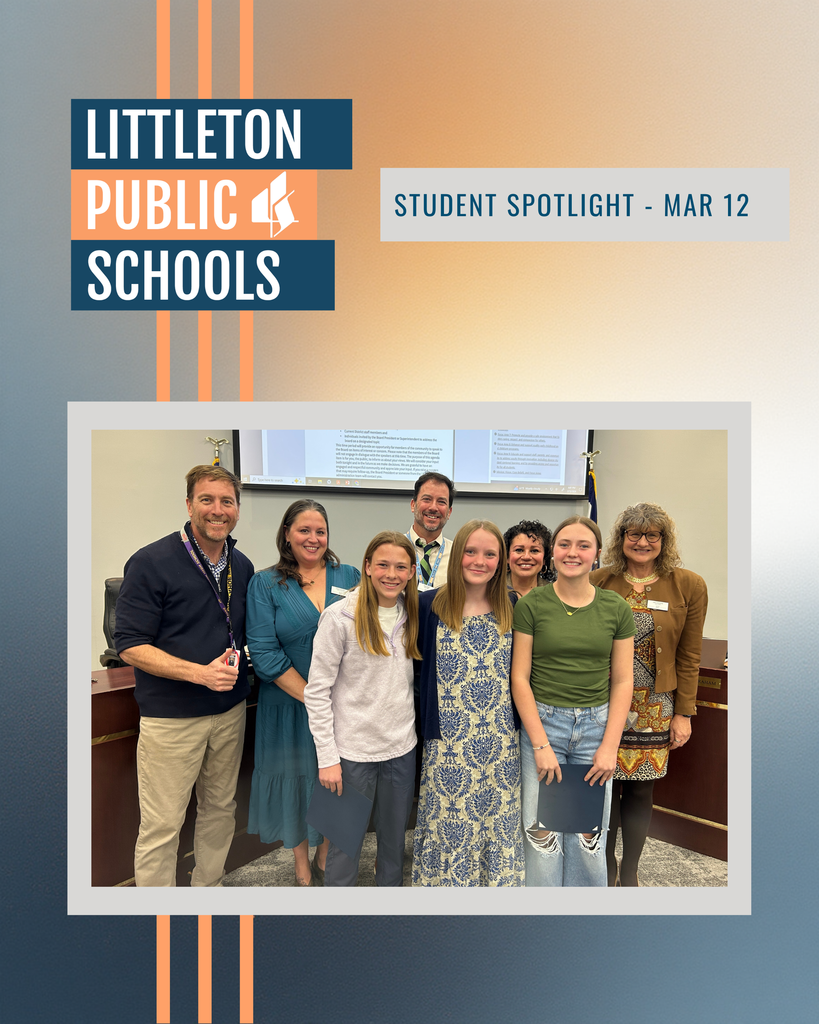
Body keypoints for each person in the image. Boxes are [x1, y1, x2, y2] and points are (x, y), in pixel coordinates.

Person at [115, 465, 254, 887]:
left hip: (229, 712)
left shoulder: (242, 565)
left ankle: (205, 890)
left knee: (220, 809)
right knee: (162, 826)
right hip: (172, 720)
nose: (217, 510)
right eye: (207, 500)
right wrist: (199, 674)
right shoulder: (151, 561)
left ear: (237, 509)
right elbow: (129, 645)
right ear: (189, 504)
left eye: (226, 501)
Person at [511, 515, 635, 887]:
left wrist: (609, 746)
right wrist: (541, 744)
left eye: (583, 545)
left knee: (587, 837)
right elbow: (520, 678)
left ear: (597, 554)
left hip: (596, 730)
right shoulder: (532, 605)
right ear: (552, 553)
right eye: (564, 544)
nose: (573, 553)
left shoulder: (616, 608)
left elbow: (623, 680)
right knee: (543, 836)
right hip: (544, 726)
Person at [590, 503, 708, 887]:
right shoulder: (598, 581)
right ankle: (604, 869)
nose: (642, 542)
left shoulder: (689, 585)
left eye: (651, 535)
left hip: (656, 705)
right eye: (634, 534)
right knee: (604, 789)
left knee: (640, 789)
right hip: (605, 702)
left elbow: (690, 654)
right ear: (621, 539)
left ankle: (630, 872)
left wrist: (684, 713)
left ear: (663, 540)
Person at [245, 499, 359, 887]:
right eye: (304, 530)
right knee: (295, 781)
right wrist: (314, 697)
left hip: (341, 706)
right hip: (288, 705)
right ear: (287, 534)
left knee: (335, 781)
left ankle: (326, 851)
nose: (313, 538)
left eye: (320, 531)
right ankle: (300, 862)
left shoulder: (350, 575)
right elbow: (263, 652)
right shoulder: (265, 583)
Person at [412, 519, 524, 886]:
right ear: (457, 554)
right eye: (471, 552)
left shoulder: (513, 605)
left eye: (490, 554)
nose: (480, 561)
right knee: (450, 827)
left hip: (500, 742)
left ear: (501, 560)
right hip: (448, 744)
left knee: (498, 824)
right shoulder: (428, 605)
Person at [304, 532, 420, 886]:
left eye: (401, 567)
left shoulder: (413, 615)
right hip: (351, 754)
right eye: (382, 564)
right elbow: (317, 691)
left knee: (393, 844)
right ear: (367, 567)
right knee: (343, 846)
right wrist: (327, 758)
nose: (391, 574)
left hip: (401, 749)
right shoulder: (339, 617)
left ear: (412, 572)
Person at [406, 472, 455, 590]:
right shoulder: (393, 549)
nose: (433, 507)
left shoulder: (458, 555)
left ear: (449, 512)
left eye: (441, 502)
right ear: (413, 505)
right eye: (427, 499)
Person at [503, 519, 555, 598]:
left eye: (534, 551)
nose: (526, 557)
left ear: (545, 558)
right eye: (519, 550)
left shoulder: (555, 594)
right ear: (507, 556)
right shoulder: (490, 591)